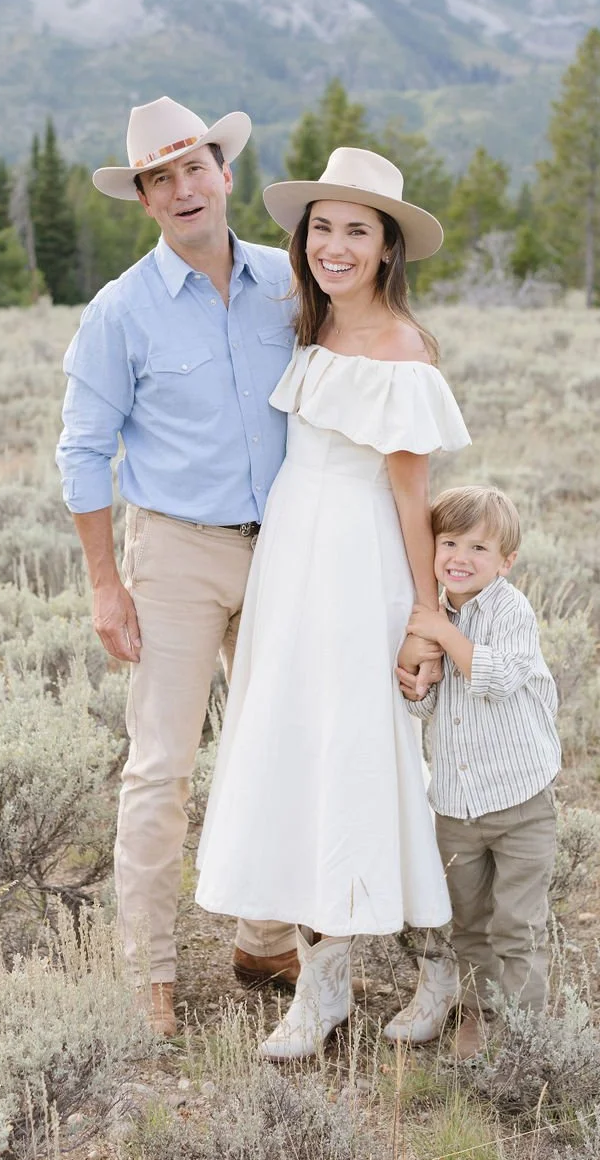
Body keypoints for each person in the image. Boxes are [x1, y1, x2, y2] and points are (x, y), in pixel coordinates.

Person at [195, 146, 472, 1061]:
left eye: (359, 230)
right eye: (322, 228)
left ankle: (437, 970)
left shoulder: (402, 353)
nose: (335, 246)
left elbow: (409, 501)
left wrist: (426, 620)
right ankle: (324, 988)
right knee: (298, 758)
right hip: (292, 575)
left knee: (369, 763)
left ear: (389, 248)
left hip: (361, 578)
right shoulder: (310, 336)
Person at [56, 96, 300, 1038]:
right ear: (147, 200)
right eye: (162, 178)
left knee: (277, 747)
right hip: (177, 556)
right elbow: (83, 451)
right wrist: (104, 582)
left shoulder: (290, 283)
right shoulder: (120, 312)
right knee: (161, 768)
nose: (184, 187)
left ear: (225, 173)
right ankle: (148, 975)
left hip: (285, 549)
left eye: (195, 166)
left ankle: (266, 935)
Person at [395, 484, 561, 1058]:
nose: (461, 557)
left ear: (506, 561)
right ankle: (477, 1013)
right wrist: (418, 683)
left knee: (516, 924)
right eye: (449, 542)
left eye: (479, 548)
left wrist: (441, 633)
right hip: (457, 806)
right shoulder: (431, 617)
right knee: (468, 922)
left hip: (520, 804)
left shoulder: (511, 611)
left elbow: (494, 678)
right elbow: (423, 708)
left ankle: (521, 1030)